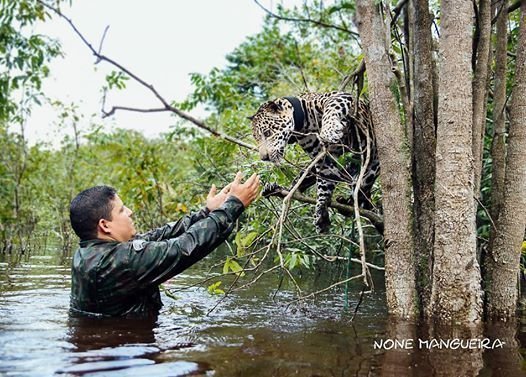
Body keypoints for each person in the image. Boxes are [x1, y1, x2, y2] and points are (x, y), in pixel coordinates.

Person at [69, 172, 260, 318]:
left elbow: (157, 236)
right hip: (127, 352)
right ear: (104, 225)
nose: (130, 212)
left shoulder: (88, 252)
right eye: (121, 210)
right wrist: (234, 204)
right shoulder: (122, 261)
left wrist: (207, 211)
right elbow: (187, 246)